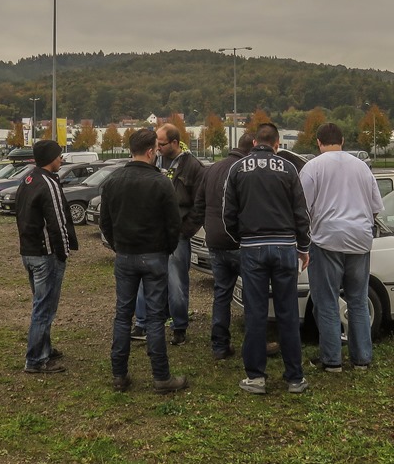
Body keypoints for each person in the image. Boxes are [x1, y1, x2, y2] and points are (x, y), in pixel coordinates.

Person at [223, 122, 310, 395]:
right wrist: (303, 246)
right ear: (277, 144)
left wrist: (241, 239)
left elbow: (228, 214)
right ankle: (294, 378)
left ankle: (256, 377)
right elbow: (301, 212)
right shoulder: (289, 169)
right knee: (288, 312)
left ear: (254, 143)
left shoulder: (237, 169)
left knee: (256, 313)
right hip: (285, 247)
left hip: (252, 247)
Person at [100, 128, 187, 394]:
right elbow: (173, 224)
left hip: (125, 256)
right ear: (151, 152)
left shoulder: (113, 181)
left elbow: (105, 222)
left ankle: (119, 375)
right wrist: (166, 249)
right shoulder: (161, 182)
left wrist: (118, 246)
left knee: (122, 315)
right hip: (154, 256)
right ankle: (161, 377)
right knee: (155, 317)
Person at [299, 123, 383, 372]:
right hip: (359, 240)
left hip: (327, 239)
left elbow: (302, 208)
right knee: (358, 300)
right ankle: (362, 358)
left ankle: (332, 360)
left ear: (318, 142)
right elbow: (376, 207)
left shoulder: (312, 167)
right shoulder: (362, 167)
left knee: (326, 301)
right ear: (343, 141)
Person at [132, 123, 204, 345]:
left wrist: (184, 231)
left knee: (176, 282)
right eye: (156, 144)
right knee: (145, 279)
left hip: (177, 235)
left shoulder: (193, 166)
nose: (158, 148)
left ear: (175, 142)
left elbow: (200, 204)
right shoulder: (152, 161)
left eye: (161, 144)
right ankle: (142, 323)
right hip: (151, 233)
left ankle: (179, 326)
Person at [187, 132, 254, 360]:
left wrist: (204, 229)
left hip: (215, 242)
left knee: (221, 294)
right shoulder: (245, 170)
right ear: (252, 149)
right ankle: (255, 345)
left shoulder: (212, 169)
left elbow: (199, 204)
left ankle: (219, 345)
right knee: (254, 294)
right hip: (241, 242)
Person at [16, 140, 79, 374]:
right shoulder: (48, 183)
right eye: (59, 155)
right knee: (44, 308)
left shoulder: (28, 179)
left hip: (29, 252)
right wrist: (63, 252)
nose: (61, 159)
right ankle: (35, 359)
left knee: (41, 304)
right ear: (50, 158)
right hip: (46, 254)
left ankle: (44, 347)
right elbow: (58, 221)